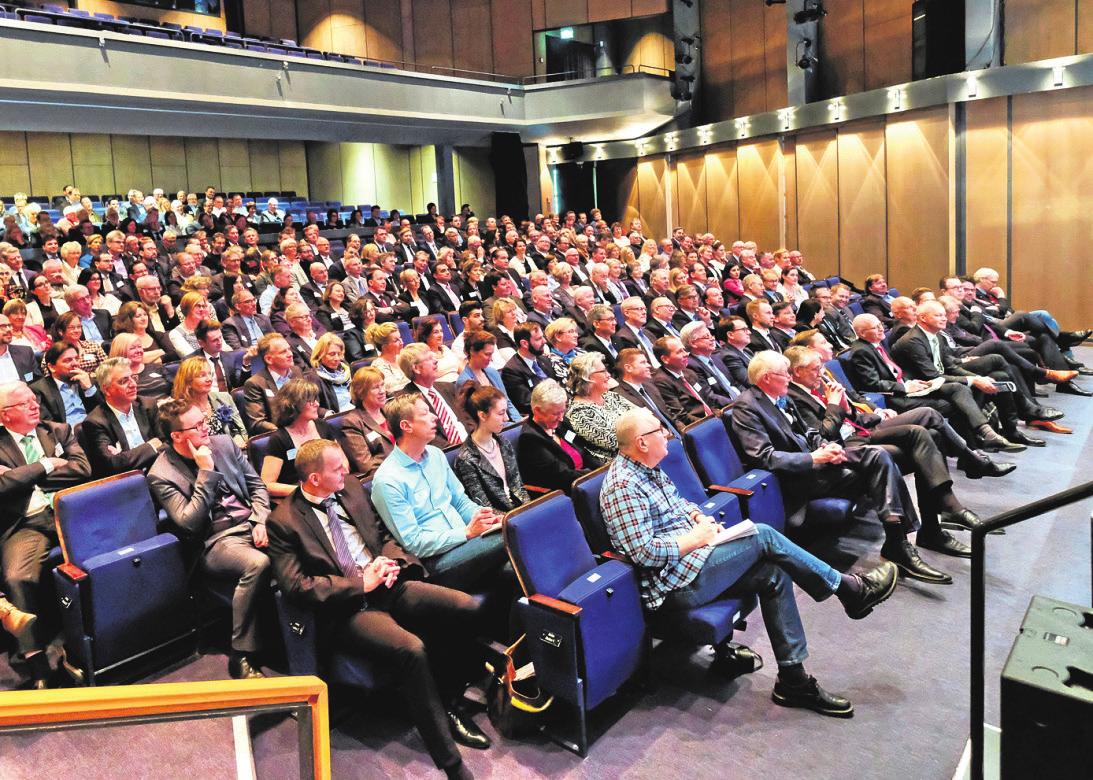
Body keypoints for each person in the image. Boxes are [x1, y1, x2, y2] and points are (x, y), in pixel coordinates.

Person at [601, 407, 897, 717]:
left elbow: (678, 503)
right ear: (641, 442)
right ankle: (847, 589)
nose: (667, 434)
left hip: (696, 560)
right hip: (674, 584)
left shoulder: (649, 467)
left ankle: (793, 680)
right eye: (658, 431)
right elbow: (643, 552)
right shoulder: (624, 487)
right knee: (763, 536)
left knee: (773, 573)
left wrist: (698, 517)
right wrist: (697, 538)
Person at [266, 439, 490, 780]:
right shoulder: (283, 521)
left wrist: (390, 559)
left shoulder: (351, 487)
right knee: (411, 650)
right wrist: (361, 584)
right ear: (313, 479)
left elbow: (380, 533)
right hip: (348, 609)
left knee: (465, 608)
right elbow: (297, 587)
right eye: (337, 468)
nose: (346, 471)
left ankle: (447, 703)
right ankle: (452, 765)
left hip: (387, 584)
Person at [729, 351, 953, 584]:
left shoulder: (779, 397)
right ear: (766, 378)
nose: (788, 377)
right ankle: (900, 544)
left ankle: (898, 541)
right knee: (880, 457)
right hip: (797, 478)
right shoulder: (747, 407)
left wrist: (827, 448)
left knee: (878, 455)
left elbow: (810, 434)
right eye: (784, 374)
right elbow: (763, 457)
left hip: (816, 462)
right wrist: (815, 458)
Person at [785, 346, 986, 556]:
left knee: (931, 435)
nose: (821, 373)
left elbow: (852, 417)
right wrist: (835, 406)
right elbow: (822, 437)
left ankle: (936, 524)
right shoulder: (794, 397)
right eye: (815, 369)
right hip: (845, 448)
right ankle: (935, 522)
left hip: (858, 433)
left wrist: (848, 408)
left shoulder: (817, 387)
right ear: (797, 371)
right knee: (923, 445)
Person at [149, 399, 272, 680]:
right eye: (197, 426)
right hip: (215, 541)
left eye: (204, 421)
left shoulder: (224, 444)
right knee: (258, 563)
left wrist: (259, 519)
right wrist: (205, 472)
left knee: (302, 543)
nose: (206, 428)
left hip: (252, 523)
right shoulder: (161, 474)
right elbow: (189, 524)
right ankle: (242, 654)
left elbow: (257, 488)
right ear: (177, 436)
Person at [0, 381, 92, 687]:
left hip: (70, 513)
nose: (34, 405)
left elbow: (81, 469)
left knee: (104, 557)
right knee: (17, 578)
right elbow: (2, 488)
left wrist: (23, 475)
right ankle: (35, 659)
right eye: (24, 403)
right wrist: (47, 463)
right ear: (4, 415)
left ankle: (96, 641)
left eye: (34, 398)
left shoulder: (59, 430)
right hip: (25, 523)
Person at [371, 393, 508, 592]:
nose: (434, 417)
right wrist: (466, 533)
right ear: (406, 426)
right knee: (511, 534)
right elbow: (414, 544)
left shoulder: (435, 455)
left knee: (514, 566)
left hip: (469, 542)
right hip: (437, 562)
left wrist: (488, 518)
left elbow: (461, 502)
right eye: (425, 414)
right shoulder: (387, 480)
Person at [80, 357, 165, 477]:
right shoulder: (95, 421)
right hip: (128, 480)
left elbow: (167, 443)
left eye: (133, 378)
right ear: (106, 389)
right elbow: (113, 464)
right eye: (124, 381)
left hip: (159, 470)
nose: (133, 384)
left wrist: (125, 456)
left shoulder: (147, 405)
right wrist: (152, 445)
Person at [452, 383, 529, 512]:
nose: (506, 418)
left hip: (520, 511)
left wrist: (530, 509)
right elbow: (483, 505)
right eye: (500, 413)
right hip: (500, 522)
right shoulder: (467, 459)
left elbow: (518, 487)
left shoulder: (504, 443)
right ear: (482, 415)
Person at [260, 378, 338, 500]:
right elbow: (267, 485)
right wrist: (308, 491)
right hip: (299, 498)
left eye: (316, 399)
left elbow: (343, 463)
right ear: (293, 405)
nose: (317, 404)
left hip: (330, 489)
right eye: (310, 401)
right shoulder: (279, 439)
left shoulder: (323, 426)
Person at [516, 379, 588, 494]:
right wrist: (593, 474)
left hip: (584, 482)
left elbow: (585, 451)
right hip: (565, 492)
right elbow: (561, 475)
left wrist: (603, 468)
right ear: (538, 411)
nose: (561, 418)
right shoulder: (529, 439)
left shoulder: (561, 423)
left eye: (562, 411)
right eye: (555, 414)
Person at [564, 352, 635, 467]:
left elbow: (644, 416)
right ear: (588, 377)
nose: (608, 375)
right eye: (603, 371)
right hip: (622, 465)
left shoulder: (610, 396)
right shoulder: (580, 413)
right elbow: (617, 442)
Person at [242, 333, 321, 435]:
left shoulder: (296, 371)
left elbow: (309, 402)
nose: (290, 354)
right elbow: (258, 423)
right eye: (283, 352)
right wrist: (287, 432)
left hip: (306, 427)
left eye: (289, 349)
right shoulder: (255, 383)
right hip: (280, 435)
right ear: (269, 359)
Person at [172, 356, 248, 450]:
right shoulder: (180, 411)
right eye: (202, 375)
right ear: (188, 382)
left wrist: (239, 439)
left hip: (234, 451)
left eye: (210, 374)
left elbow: (241, 429)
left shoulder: (224, 397)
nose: (209, 379)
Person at [456, 330, 521, 422]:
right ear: (472, 352)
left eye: (491, 354)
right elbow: (475, 418)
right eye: (487, 354)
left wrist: (519, 421)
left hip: (508, 423)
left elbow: (507, 402)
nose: (490, 359)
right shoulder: (464, 381)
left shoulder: (492, 372)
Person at [31, 341, 100, 425]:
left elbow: (104, 413)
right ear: (52, 367)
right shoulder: (39, 389)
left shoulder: (88, 381)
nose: (75, 363)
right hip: (66, 434)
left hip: (95, 429)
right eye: (68, 360)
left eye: (77, 358)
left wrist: (89, 389)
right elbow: (47, 424)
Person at [109, 333, 171, 401]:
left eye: (139, 347)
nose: (138, 351)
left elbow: (174, 388)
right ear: (120, 351)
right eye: (132, 348)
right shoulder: (116, 378)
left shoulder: (156, 367)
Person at [310, 333, 355, 413]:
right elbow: (313, 406)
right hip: (335, 417)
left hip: (353, 410)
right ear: (320, 354)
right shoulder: (314, 377)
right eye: (332, 354)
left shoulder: (345, 369)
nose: (337, 358)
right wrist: (327, 413)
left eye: (339, 354)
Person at [366, 321, 410, 395]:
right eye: (396, 340)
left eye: (400, 338)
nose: (401, 342)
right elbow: (391, 389)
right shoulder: (378, 366)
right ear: (384, 346)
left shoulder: (404, 356)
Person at [417, 316, 462, 384]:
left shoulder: (445, 348)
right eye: (436, 332)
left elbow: (460, 367)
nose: (440, 335)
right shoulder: (424, 355)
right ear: (425, 336)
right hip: (443, 389)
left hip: (460, 383)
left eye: (441, 331)